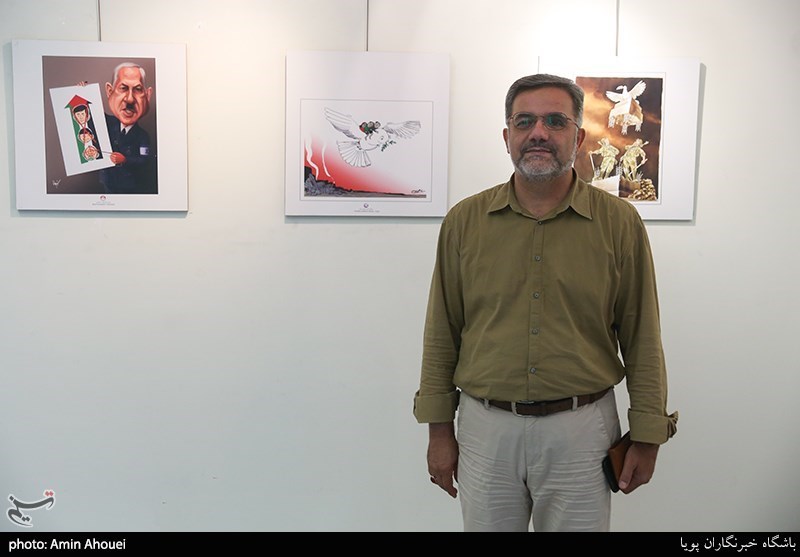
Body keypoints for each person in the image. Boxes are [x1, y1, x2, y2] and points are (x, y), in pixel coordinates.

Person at [413, 73, 678, 532]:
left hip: (583, 432)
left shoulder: (619, 223)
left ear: (579, 137)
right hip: (485, 430)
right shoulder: (465, 222)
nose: (539, 132)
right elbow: (443, 330)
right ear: (507, 137)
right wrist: (439, 430)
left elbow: (642, 336)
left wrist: (649, 434)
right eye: (525, 122)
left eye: (555, 121)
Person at [100, 62, 157, 194]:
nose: (130, 99)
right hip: (108, 184)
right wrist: (81, 91)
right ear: (110, 91)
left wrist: (125, 160)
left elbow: (144, 160)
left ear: (147, 96)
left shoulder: (142, 136)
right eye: (123, 88)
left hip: (130, 187)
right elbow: (86, 115)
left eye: (137, 89)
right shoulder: (107, 123)